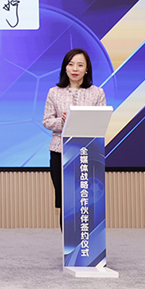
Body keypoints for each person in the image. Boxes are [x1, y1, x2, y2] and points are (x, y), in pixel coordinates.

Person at [42, 48, 106, 221]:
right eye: (71, 64)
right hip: (60, 151)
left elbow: (101, 121)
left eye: (80, 65)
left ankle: (88, 238)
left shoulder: (97, 93)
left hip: (88, 152)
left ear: (87, 69)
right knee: (66, 201)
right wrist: (63, 121)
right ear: (65, 67)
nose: (75, 69)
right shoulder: (54, 92)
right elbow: (47, 121)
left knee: (87, 199)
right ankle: (67, 238)